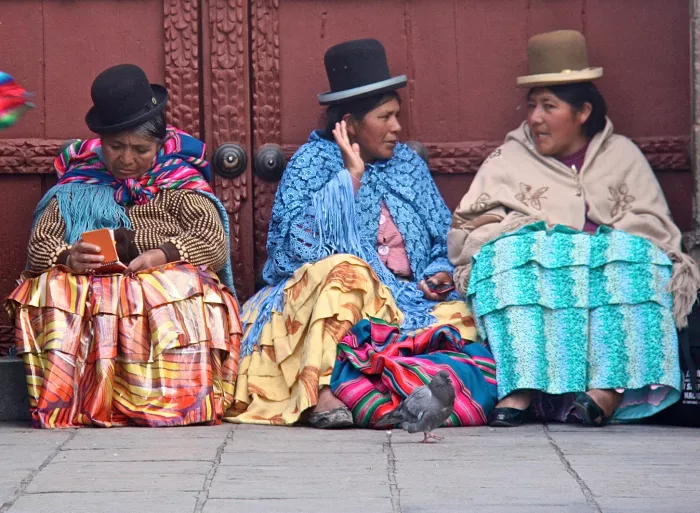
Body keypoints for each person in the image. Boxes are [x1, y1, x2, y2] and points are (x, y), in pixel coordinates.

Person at [228, 39, 497, 428]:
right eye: (384, 117)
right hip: (325, 295)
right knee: (346, 272)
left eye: (396, 116)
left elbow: (443, 238)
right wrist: (348, 181)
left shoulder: (407, 164)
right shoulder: (312, 164)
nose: (396, 128)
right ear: (349, 124)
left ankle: (399, 398)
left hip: (405, 298)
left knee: (461, 317)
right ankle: (320, 391)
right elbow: (291, 251)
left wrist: (436, 274)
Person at [448, 30, 699, 427]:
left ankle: (609, 390)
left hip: (606, 267)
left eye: (549, 106)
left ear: (582, 112)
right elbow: (470, 233)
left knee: (636, 259)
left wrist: (596, 246)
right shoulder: (508, 158)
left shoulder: (622, 156)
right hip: (542, 270)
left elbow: (656, 232)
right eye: (532, 106)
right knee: (508, 259)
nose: (534, 118)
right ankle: (523, 386)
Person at [6, 64, 242, 428]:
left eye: (140, 149)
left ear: (160, 146)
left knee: (174, 285)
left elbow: (212, 241)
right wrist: (68, 256)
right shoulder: (75, 185)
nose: (127, 159)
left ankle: (170, 404)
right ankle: (76, 404)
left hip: (159, 274)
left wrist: (162, 255)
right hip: (91, 280)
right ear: (100, 143)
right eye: (116, 147)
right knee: (53, 287)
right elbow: (40, 244)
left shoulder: (179, 182)